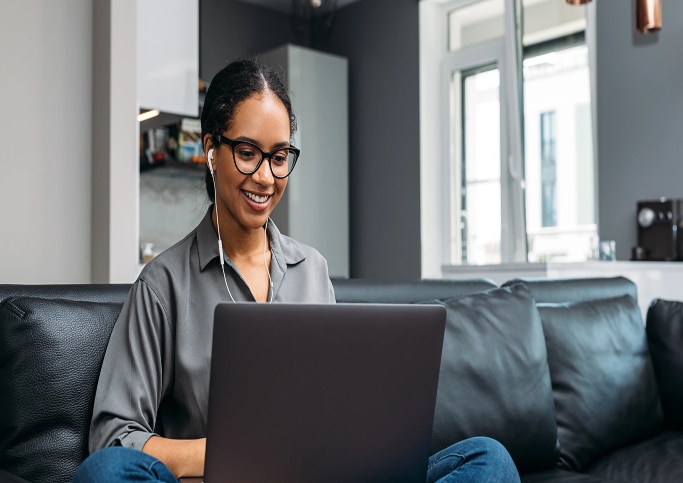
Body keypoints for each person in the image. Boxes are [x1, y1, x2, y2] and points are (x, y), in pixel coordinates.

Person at [73, 57, 520, 483]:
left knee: (489, 460)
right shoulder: (163, 285)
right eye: (248, 152)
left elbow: (337, 413)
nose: (266, 176)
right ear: (211, 151)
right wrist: (236, 452)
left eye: (280, 156)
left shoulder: (312, 269)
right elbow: (113, 438)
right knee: (107, 474)